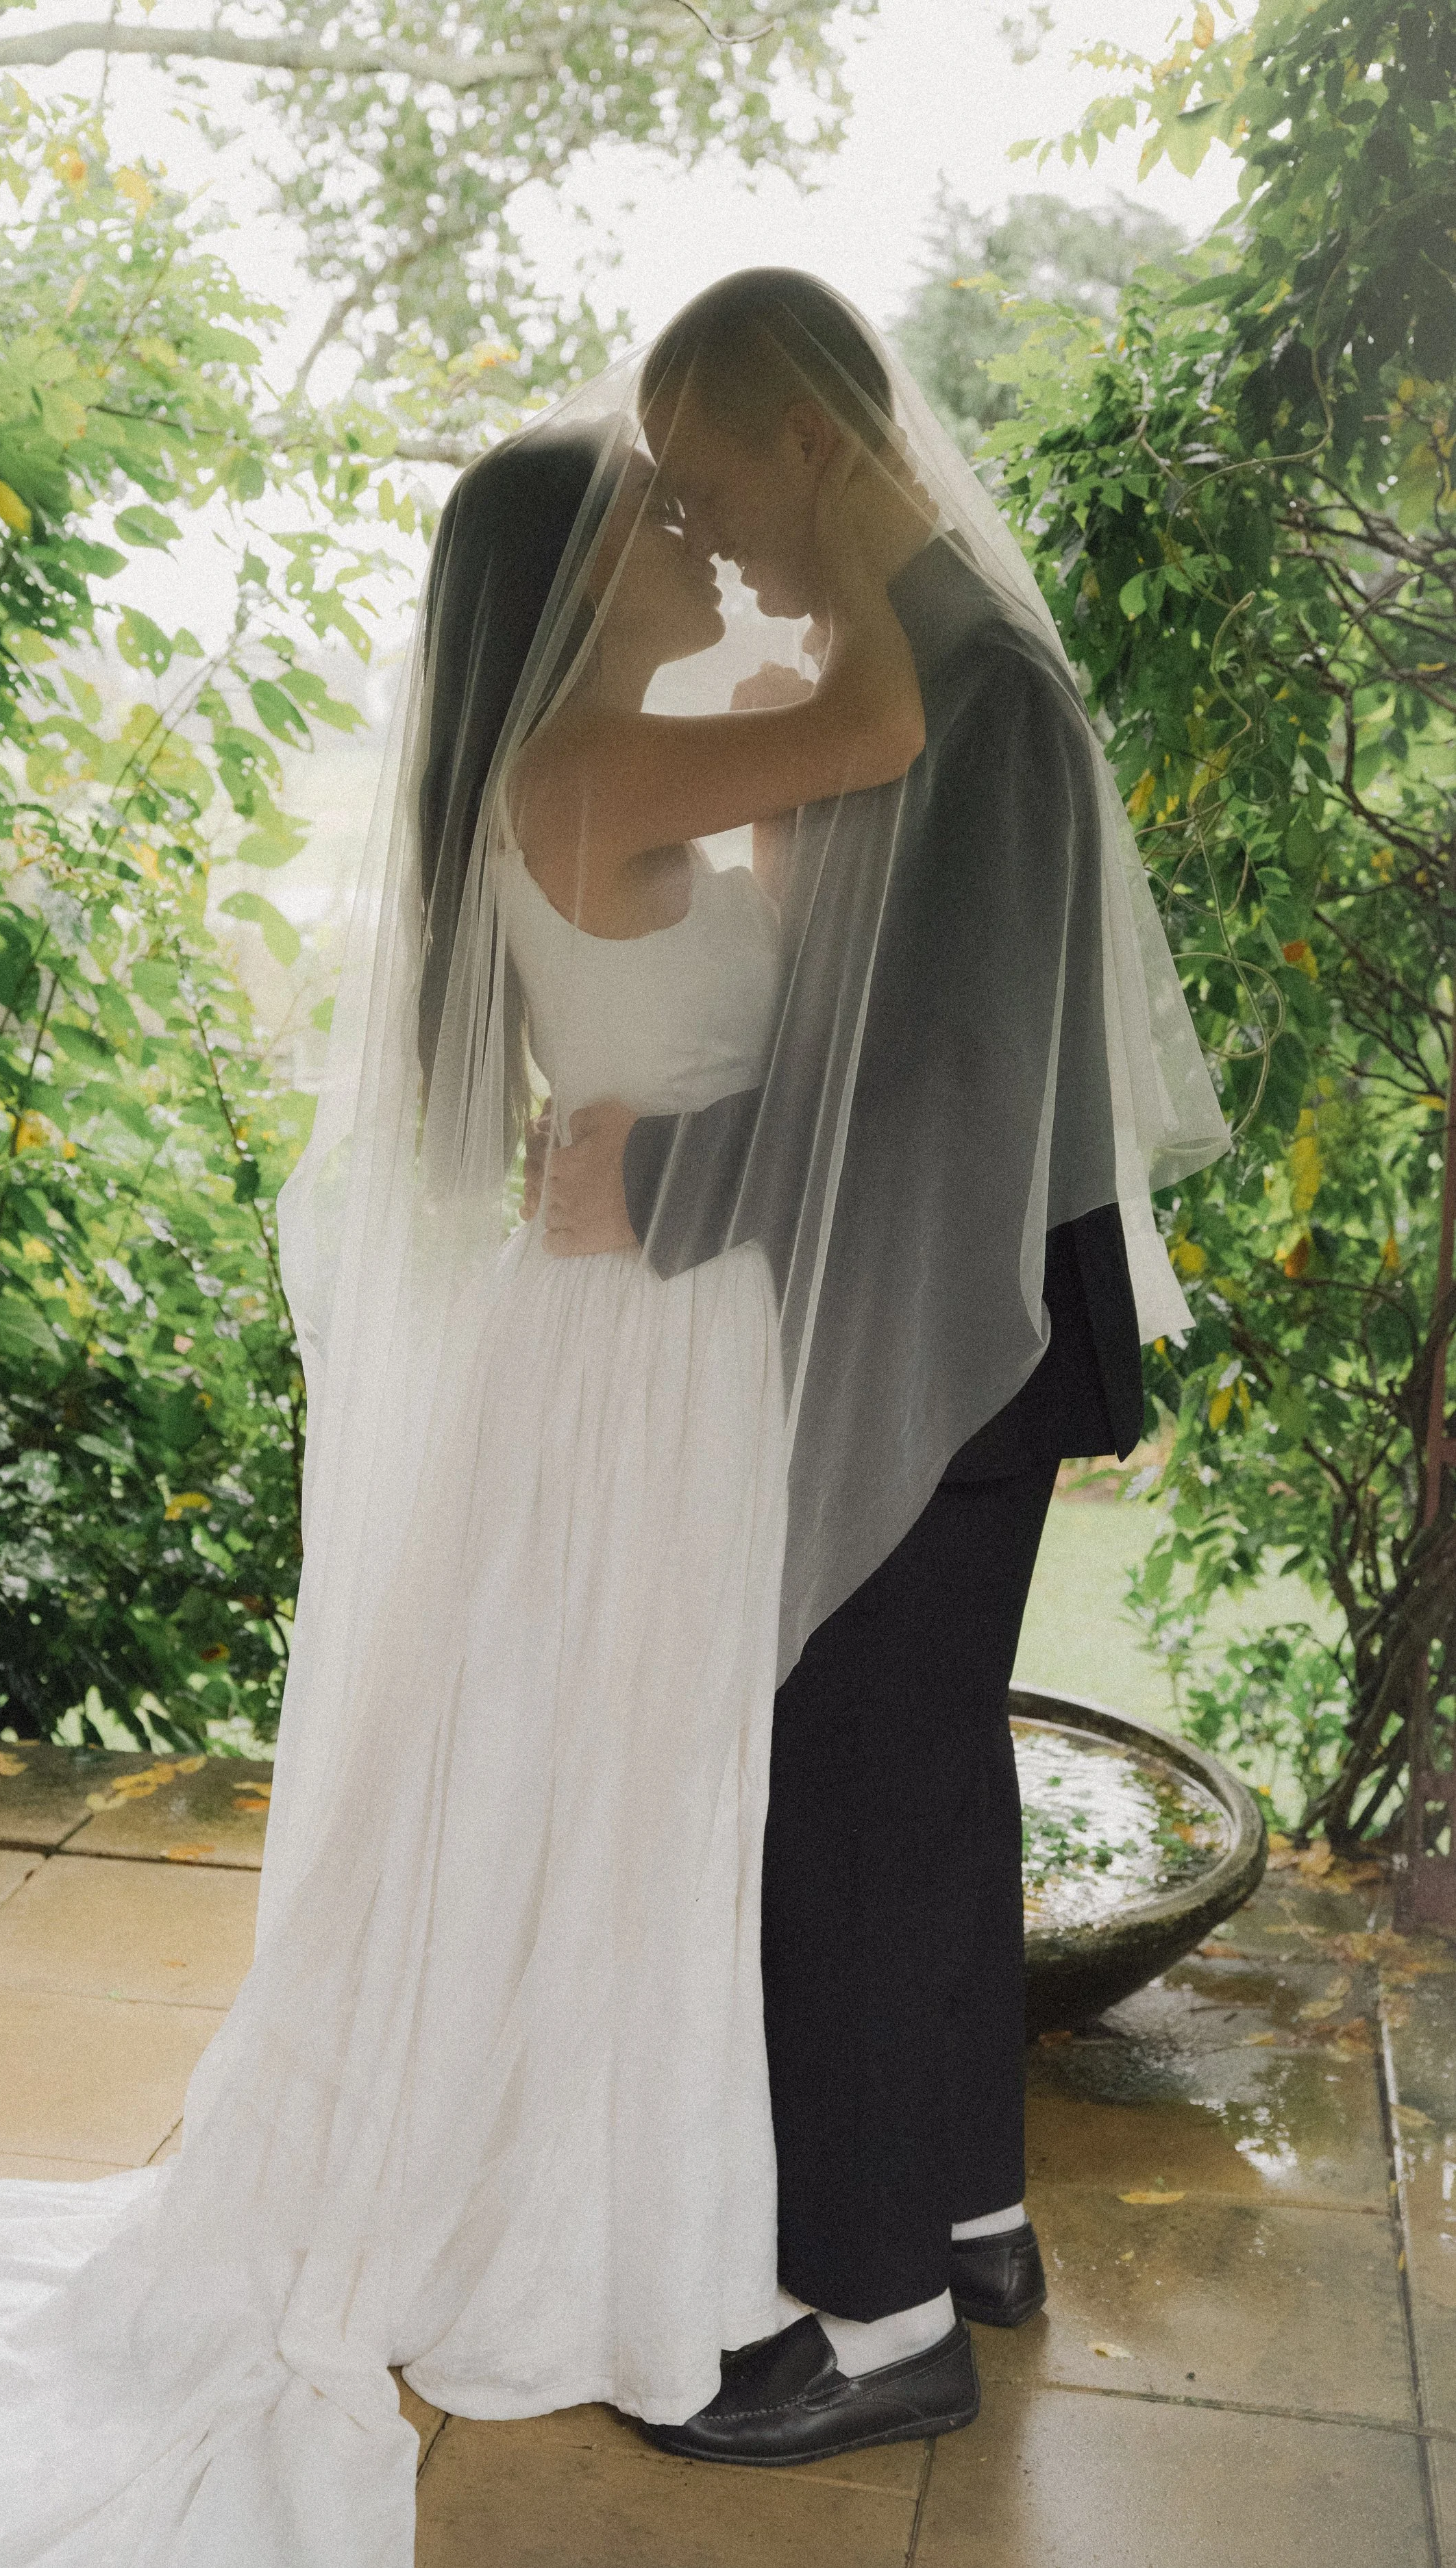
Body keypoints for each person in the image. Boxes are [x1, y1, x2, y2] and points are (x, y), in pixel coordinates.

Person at [0, 332, 967, 2563]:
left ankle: (565, 2158)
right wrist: (868, 528)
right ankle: (577, 2217)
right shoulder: (594, 761)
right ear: (586, 579)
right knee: (613, 1782)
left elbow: (788, 984)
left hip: (642, 1327)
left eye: (695, 511)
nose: (698, 541)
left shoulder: (627, 756)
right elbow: (882, 722)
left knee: (589, 1782)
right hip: (633, 1356)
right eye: (660, 520)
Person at [539, 268, 1230, 2466]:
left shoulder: (977, 693)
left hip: (959, 1313)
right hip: (944, 1301)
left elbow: (916, 1088)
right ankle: (968, 2210)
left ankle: (875, 2322)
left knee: (838, 1786)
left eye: (711, 470)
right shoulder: (883, 669)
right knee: (916, 1768)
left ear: (811, 439)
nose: (700, 519)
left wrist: (649, 1178)